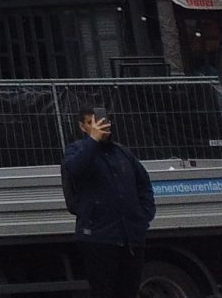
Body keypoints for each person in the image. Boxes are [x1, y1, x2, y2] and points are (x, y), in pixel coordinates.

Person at [62, 105, 155, 298]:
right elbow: (74, 171)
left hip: (130, 239)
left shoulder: (122, 153)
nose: (99, 126)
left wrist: (142, 217)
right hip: (98, 238)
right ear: (82, 127)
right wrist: (93, 140)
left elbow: (143, 184)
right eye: (91, 123)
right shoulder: (75, 151)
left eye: (102, 121)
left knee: (128, 292)